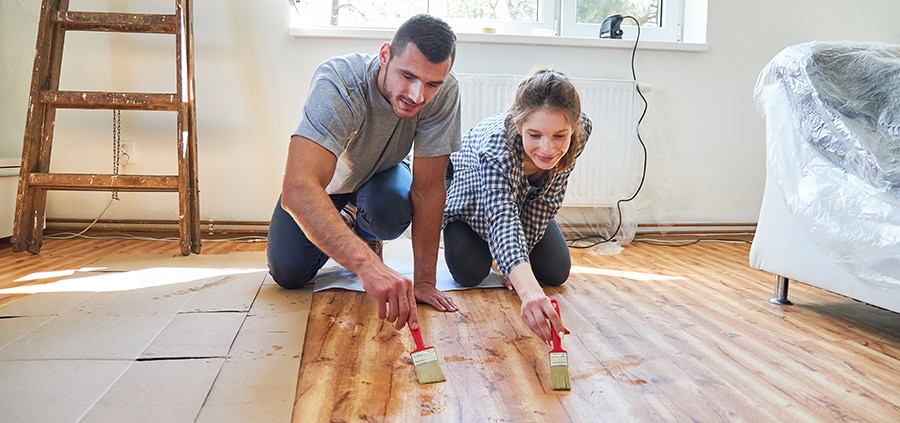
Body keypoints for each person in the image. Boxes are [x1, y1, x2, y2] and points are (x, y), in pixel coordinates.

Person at [267, 14, 462, 333]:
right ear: (385, 56)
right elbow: (298, 189)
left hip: (383, 177)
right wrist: (367, 266)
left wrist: (424, 281)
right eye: (407, 76)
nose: (417, 95)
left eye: (432, 84)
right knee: (288, 274)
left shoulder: (445, 93)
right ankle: (347, 222)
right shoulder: (340, 82)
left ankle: (359, 224)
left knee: (389, 212)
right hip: (327, 187)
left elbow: (428, 189)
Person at [442, 68, 592, 344]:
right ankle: (464, 234)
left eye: (559, 136)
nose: (548, 148)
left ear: (573, 128)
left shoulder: (580, 133)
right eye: (534, 135)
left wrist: (514, 264)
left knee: (555, 272)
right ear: (519, 125)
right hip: (470, 191)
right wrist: (528, 289)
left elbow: (547, 201)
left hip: (523, 200)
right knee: (469, 274)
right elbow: (501, 219)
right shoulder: (496, 147)